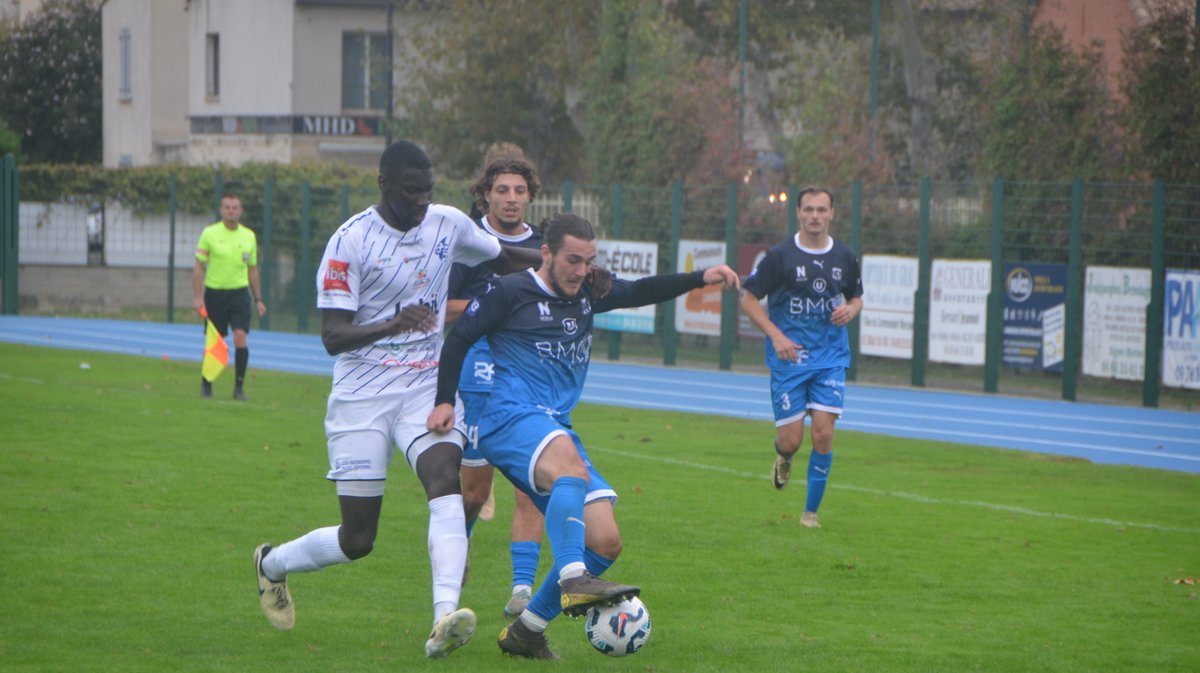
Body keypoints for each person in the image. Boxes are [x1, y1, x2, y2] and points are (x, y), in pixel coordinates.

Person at [250, 140, 543, 659]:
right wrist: (393, 322)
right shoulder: (350, 242)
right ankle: (272, 565)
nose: (422, 203)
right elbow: (333, 337)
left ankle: (443, 618)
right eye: (412, 192)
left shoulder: (447, 223)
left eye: (428, 191)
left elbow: (502, 258)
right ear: (383, 184)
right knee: (357, 540)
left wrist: (558, 265)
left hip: (423, 388)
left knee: (444, 479)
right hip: (361, 395)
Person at [428, 212, 740, 659]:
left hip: (554, 423)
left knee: (605, 542)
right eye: (573, 260)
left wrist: (698, 278)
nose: (581, 270)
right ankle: (574, 578)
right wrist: (443, 401)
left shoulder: (591, 291)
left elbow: (641, 291)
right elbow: (459, 339)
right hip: (508, 416)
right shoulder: (510, 291)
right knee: (569, 468)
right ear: (548, 254)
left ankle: (527, 631)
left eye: (589, 261)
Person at [739, 187, 863, 529]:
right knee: (791, 439)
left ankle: (810, 513)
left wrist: (851, 309)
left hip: (830, 356)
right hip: (789, 359)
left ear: (832, 214)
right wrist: (776, 335)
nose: (815, 216)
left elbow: (856, 297)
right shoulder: (779, 257)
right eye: (809, 209)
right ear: (798, 213)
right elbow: (748, 299)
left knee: (823, 434)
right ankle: (784, 457)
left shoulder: (845, 256)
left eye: (822, 210)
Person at [192, 193, 267, 400]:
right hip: (215, 294)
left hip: (239, 294)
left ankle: (239, 388)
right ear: (221, 210)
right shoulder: (209, 233)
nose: (231, 211)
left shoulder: (249, 236)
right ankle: (207, 384)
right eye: (227, 207)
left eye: (235, 207)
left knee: (240, 336)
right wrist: (198, 297)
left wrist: (258, 298)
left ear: (241, 211)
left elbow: (252, 269)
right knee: (214, 342)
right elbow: (198, 267)